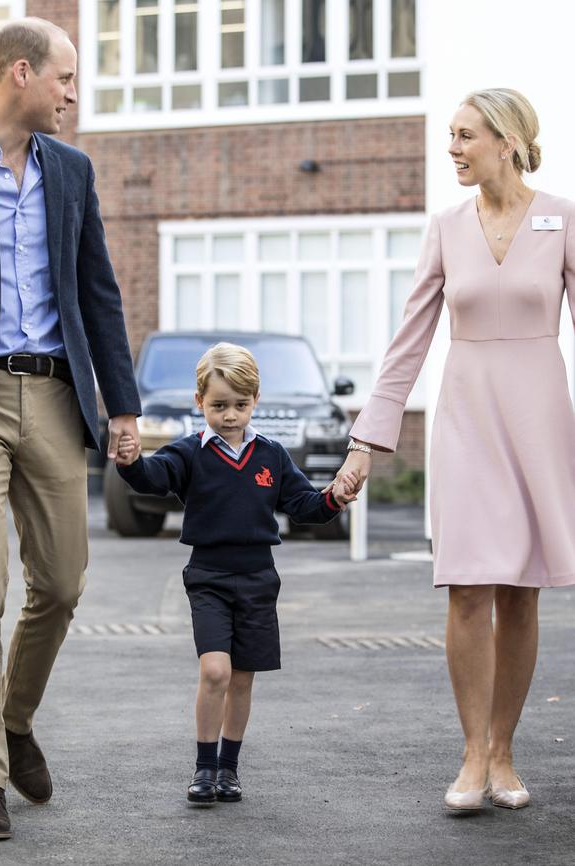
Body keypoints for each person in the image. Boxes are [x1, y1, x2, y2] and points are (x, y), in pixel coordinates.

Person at [0, 18, 141, 839]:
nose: (73, 95)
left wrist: (121, 406)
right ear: (22, 73)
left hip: (54, 396)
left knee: (61, 583)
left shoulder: (73, 172)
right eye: (66, 79)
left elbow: (100, 292)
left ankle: (14, 723)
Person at [330, 88, 575, 812]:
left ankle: (504, 750)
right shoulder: (445, 228)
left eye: (465, 136)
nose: (453, 149)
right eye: (451, 136)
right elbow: (409, 342)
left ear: (507, 139)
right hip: (466, 417)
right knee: (468, 583)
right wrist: (366, 442)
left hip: (539, 419)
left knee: (520, 588)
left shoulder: (561, 219)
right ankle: (471, 756)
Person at [117, 342, 356, 807]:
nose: (230, 415)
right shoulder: (189, 453)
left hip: (258, 581)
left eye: (240, 405)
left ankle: (229, 770)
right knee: (215, 671)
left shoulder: (271, 456)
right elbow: (153, 477)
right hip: (208, 577)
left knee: (242, 679)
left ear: (256, 400)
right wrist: (131, 463)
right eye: (219, 405)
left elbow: (304, 507)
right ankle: (204, 768)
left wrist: (334, 497)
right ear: (199, 401)